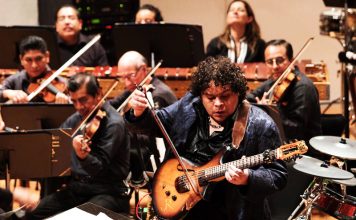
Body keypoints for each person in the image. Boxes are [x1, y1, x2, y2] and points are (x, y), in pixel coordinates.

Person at [125, 56, 287, 219]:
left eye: (225, 96)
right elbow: (157, 123)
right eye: (210, 97)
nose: (218, 104)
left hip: (232, 210)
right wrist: (138, 112)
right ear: (201, 95)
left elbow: (278, 175)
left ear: (238, 93)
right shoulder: (189, 105)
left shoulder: (260, 124)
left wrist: (247, 178)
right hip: (182, 202)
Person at [27, 72, 131, 219]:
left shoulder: (114, 124)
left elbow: (98, 168)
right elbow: (58, 151)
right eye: (74, 101)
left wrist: (83, 156)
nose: (78, 107)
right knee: (33, 214)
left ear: (98, 94)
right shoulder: (75, 119)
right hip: (78, 190)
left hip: (108, 192)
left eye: (83, 100)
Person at [110, 51, 177, 184]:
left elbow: (150, 134)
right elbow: (110, 106)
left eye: (130, 76)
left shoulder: (158, 94)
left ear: (144, 70)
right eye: (122, 77)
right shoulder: (134, 89)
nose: (126, 82)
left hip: (162, 156)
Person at [246, 39, 322, 147]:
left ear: (291, 61)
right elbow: (251, 97)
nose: (275, 66)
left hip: (302, 151)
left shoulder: (303, 87)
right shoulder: (274, 81)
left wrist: (269, 110)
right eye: (270, 62)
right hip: (280, 146)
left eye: (279, 60)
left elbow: (296, 130)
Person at [0, 35, 69, 104]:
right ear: (21, 59)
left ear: (47, 56)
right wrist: (7, 92)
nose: (34, 65)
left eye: (38, 59)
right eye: (29, 60)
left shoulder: (62, 82)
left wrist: (66, 104)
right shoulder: (16, 80)